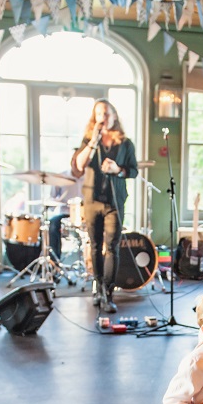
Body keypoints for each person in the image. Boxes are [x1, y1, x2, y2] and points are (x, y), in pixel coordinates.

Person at [71, 99, 138, 313]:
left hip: (114, 200)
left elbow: (133, 171)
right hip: (92, 199)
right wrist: (92, 141)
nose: (104, 117)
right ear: (95, 117)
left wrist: (118, 169)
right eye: (99, 113)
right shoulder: (89, 140)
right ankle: (97, 288)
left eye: (107, 113)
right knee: (94, 245)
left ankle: (108, 293)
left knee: (112, 247)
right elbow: (79, 166)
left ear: (114, 115)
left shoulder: (125, 143)